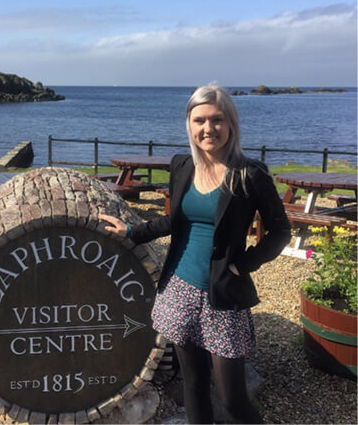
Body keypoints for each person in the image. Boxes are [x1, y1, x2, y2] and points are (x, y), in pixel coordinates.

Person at [100, 85, 291, 424]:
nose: (208, 129)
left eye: (217, 120)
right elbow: (175, 222)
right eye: (199, 120)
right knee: (194, 383)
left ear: (230, 123)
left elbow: (280, 232)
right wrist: (130, 232)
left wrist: (244, 264)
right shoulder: (182, 166)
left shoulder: (249, 173)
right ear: (188, 123)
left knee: (233, 401)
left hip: (222, 296)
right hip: (179, 289)